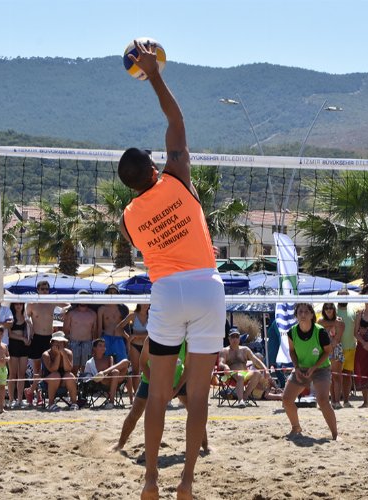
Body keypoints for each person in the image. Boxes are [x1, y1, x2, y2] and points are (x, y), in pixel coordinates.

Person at [117, 40, 224, 500]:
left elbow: (131, 235)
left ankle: (151, 480)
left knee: (156, 394)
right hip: (205, 287)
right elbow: (176, 122)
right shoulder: (178, 177)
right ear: (156, 167)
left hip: (165, 294)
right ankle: (186, 482)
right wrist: (152, 73)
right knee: (197, 396)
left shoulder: (127, 218)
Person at [111, 338, 208, 455]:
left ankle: (206, 446)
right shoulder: (152, 338)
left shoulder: (185, 342)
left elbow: (188, 368)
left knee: (194, 412)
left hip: (177, 381)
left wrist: (175, 390)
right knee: (135, 413)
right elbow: (142, 363)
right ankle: (120, 444)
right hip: (150, 380)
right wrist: (154, 384)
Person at [282, 303, 337, 439]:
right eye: (300, 312)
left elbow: (328, 351)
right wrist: (296, 367)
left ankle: (335, 434)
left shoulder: (320, 331)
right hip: (302, 368)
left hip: (320, 368)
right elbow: (292, 351)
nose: (303, 314)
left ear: (312, 315)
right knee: (286, 400)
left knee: (323, 400)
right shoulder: (292, 332)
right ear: (296, 315)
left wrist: (314, 367)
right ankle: (296, 428)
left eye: (306, 312)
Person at [26, 281, 66, 405]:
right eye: (42, 289)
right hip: (37, 338)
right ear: (37, 289)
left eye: (47, 289)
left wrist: (64, 311)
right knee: (37, 370)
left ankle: (32, 390)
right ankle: (37, 394)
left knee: (49, 368)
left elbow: (69, 304)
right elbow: (26, 320)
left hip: (49, 338)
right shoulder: (32, 304)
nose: (45, 291)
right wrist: (29, 332)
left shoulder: (52, 302)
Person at [218, 327, 269, 407]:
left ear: (239, 338)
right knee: (240, 375)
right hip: (231, 375)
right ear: (229, 338)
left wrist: (265, 369)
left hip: (245, 373)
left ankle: (244, 397)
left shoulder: (245, 350)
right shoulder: (225, 351)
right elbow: (220, 363)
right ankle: (240, 400)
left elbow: (256, 360)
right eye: (232, 337)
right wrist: (225, 366)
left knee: (258, 373)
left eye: (237, 336)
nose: (235, 339)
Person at [84, 338, 130, 409]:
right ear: (94, 348)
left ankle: (111, 402)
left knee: (125, 362)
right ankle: (111, 401)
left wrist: (104, 373)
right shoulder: (90, 362)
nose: (103, 347)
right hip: (102, 382)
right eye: (100, 345)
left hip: (114, 379)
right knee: (115, 372)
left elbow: (112, 370)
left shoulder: (109, 358)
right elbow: (86, 377)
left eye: (104, 346)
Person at [41, 331, 79, 411]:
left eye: (61, 342)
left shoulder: (68, 353)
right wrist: (58, 355)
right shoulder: (46, 354)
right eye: (57, 342)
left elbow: (68, 369)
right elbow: (53, 369)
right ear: (52, 343)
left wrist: (64, 355)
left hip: (63, 379)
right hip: (50, 379)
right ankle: (51, 403)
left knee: (70, 376)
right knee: (55, 375)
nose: (59, 344)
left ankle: (74, 403)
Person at [117, 303, 150, 393]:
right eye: (144, 303)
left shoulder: (152, 315)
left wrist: (135, 335)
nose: (145, 305)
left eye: (147, 303)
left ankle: (150, 393)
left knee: (149, 370)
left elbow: (152, 333)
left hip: (147, 345)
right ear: (139, 303)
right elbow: (119, 327)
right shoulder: (133, 315)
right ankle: (136, 395)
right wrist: (128, 337)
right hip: (135, 346)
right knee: (136, 372)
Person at [317, 302, 345, 409]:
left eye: (330, 308)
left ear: (334, 309)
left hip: (336, 348)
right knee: (328, 377)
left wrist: (330, 325)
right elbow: (319, 329)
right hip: (325, 350)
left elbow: (337, 338)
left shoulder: (339, 320)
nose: (328, 310)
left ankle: (337, 401)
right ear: (324, 310)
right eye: (326, 308)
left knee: (337, 376)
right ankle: (332, 400)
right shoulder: (321, 320)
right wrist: (332, 325)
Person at [63, 292, 98, 375]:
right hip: (73, 343)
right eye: (81, 297)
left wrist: (94, 346)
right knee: (73, 368)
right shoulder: (71, 313)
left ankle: (83, 387)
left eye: (85, 297)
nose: (83, 299)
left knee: (86, 368)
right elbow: (65, 330)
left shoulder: (93, 314)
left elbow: (95, 331)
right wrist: (67, 344)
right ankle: (73, 386)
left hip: (88, 343)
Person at [96, 284, 130, 363]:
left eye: (114, 292)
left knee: (122, 362)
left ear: (118, 294)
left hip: (119, 338)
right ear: (106, 294)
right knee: (105, 363)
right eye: (110, 292)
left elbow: (126, 327)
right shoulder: (102, 309)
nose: (112, 294)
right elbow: (99, 328)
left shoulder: (123, 308)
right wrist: (97, 342)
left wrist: (128, 342)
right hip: (106, 339)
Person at [7, 301, 32, 409]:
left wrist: (30, 326)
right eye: (16, 304)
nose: (18, 306)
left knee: (22, 375)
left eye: (20, 304)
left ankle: (20, 400)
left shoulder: (26, 317)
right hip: (13, 346)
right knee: (12, 374)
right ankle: (11, 399)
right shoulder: (10, 317)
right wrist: (22, 338)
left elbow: (31, 333)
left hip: (24, 347)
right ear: (13, 305)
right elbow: (10, 334)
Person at [336, 289, 356, 407]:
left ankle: (346, 401)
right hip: (337, 348)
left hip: (350, 348)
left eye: (345, 296)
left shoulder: (353, 311)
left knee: (347, 376)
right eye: (341, 295)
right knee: (336, 376)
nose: (344, 298)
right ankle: (336, 400)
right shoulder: (333, 311)